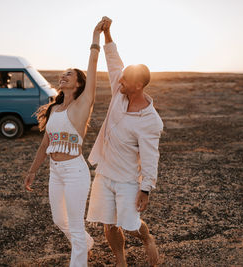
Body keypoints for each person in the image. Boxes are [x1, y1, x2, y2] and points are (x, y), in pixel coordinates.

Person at [24, 18, 105, 267]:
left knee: (76, 226)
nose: (63, 76)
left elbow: (92, 66)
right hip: (54, 172)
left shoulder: (82, 105)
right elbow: (44, 144)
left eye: (69, 74)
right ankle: (87, 244)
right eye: (62, 74)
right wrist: (32, 171)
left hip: (75, 171)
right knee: (60, 220)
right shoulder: (54, 109)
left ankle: (79, 254)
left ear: (79, 83)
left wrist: (95, 37)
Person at [86, 17, 163, 267]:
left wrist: (146, 189)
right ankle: (121, 261)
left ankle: (146, 237)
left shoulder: (151, 120)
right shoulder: (120, 94)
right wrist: (108, 34)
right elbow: (113, 61)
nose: (119, 81)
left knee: (130, 225)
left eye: (125, 80)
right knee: (108, 223)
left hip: (129, 178)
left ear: (138, 85)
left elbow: (151, 156)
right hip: (105, 172)